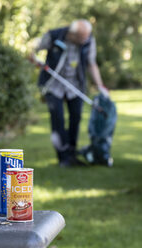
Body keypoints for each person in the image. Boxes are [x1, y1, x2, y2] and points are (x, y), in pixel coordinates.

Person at [29, 19, 109, 167]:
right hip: (53, 84)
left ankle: (71, 153)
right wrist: (33, 58)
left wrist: (100, 86)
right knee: (57, 119)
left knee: (76, 118)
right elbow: (34, 49)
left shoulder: (89, 41)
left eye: (86, 37)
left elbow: (92, 63)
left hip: (75, 85)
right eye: (82, 37)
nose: (85, 40)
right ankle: (63, 157)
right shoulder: (54, 36)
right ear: (73, 34)